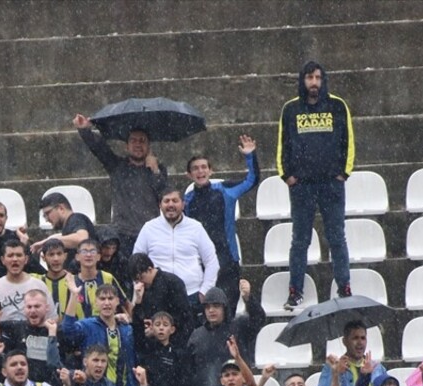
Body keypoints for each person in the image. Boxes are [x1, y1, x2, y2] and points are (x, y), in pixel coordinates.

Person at [277, 61, 355, 308]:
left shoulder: (337, 106)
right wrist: (287, 175)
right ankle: (295, 291)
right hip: (302, 186)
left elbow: (348, 141)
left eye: (318, 78)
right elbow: (283, 144)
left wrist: (344, 172)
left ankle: (344, 287)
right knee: (300, 240)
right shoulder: (290, 109)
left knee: (336, 238)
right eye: (310, 77)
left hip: (331, 184)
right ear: (303, 80)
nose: (314, 83)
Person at [72, 114, 167, 253]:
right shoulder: (117, 166)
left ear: (149, 146)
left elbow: (164, 194)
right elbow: (99, 149)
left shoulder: (158, 169)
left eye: (142, 141)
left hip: (150, 232)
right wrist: (84, 130)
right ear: (126, 147)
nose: (138, 144)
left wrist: (155, 170)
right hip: (123, 233)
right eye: (133, 141)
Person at [183, 136, 260, 290]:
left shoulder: (226, 190)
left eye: (204, 167)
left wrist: (250, 155)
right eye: (195, 168)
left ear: (211, 171)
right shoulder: (186, 201)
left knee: (228, 308)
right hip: (200, 262)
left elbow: (252, 180)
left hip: (228, 260)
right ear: (189, 175)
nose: (200, 171)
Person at [133, 187, 220, 306]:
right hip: (157, 296)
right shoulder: (148, 228)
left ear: (183, 204)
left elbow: (211, 261)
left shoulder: (196, 228)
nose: (170, 205)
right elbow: (136, 262)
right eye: (166, 201)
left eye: (175, 201)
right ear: (160, 205)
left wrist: (205, 291)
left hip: (191, 295)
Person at [128, 253, 194, 359]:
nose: (140, 282)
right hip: (150, 347)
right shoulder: (139, 288)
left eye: (141, 277)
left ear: (150, 269)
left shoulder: (172, 283)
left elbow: (184, 316)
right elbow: (136, 320)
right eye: (136, 280)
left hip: (174, 344)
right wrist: (138, 301)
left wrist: (158, 326)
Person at [0, 239, 54, 323]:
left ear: (26, 259)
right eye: (10, 255)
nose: (15, 259)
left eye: (19, 255)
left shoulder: (39, 286)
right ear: (3, 260)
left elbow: (52, 317)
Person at [32, 192, 97, 267]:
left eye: (47, 213)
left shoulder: (76, 219)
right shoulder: (70, 225)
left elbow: (82, 239)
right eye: (44, 216)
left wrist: (50, 241)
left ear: (61, 208)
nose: (46, 219)